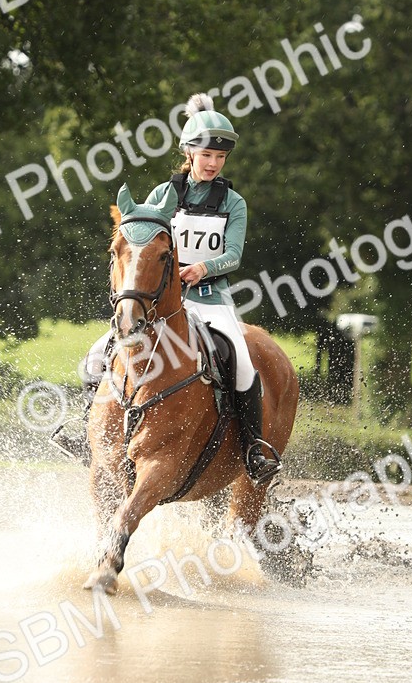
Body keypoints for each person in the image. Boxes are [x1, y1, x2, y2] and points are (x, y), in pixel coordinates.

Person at [81, 93, 280, 485]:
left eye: (220, 158)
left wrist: (204, 267)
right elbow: (139, 239)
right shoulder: (162, 195)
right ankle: (87, 435)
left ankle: (253, 448)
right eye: (206, 155)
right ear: (189, 153)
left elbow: (235, 255)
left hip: (210, 300)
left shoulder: (233, 202)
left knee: (240, 360)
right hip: (159, 301)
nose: (213, 164)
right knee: (93, 359)